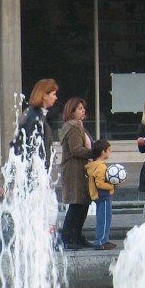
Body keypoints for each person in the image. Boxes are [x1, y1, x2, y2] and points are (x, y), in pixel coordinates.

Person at [0, 79, 59, 253]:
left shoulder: (34, 115)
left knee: (30, 218)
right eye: (53, 94)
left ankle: (12, 249)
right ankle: (9, 250)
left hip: (32, 179)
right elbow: (25, 151)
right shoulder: (35, 118)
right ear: (44, 95)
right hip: (31, 180)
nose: (55, 98)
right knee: (31, 218)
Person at [58, 96, 96, 250]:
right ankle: (69, 238)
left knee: (83, 203)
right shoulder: (73, 126)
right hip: (75, 170)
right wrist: (96, 151)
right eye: (80, 108)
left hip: (80, 169)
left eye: (83, 108)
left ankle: (77, 236)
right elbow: (76, 149)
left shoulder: (78, 125)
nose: (83, 111)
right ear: (71, 111)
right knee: (77, 204)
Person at [85, 139, 118, 250]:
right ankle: (100, 241)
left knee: (104, 219)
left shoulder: (97, 165)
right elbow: (100, 183)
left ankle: (104, 240)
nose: (110, 152)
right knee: (104, 220)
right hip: (103, 196)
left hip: (102, 196)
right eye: (108, 150)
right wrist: (113, 186)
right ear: (103, 152)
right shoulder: (100, 167)